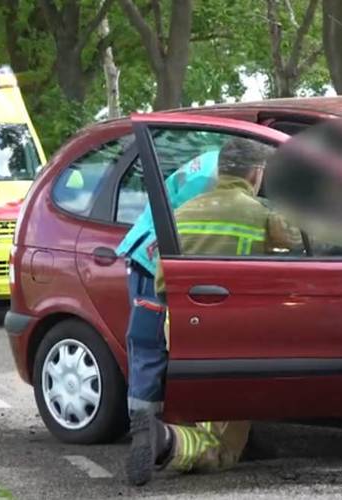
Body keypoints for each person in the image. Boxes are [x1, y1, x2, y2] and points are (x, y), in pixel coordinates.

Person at [125, 137, 297, 486]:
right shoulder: (261, 215)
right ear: (256, 173)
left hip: (186, 335)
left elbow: (162, 280)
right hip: (235, 337)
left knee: (200, 411)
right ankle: (165, 441)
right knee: (220, 449)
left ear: (219, 171)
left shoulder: (183, 213)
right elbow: (303, 242)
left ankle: (165, 431)